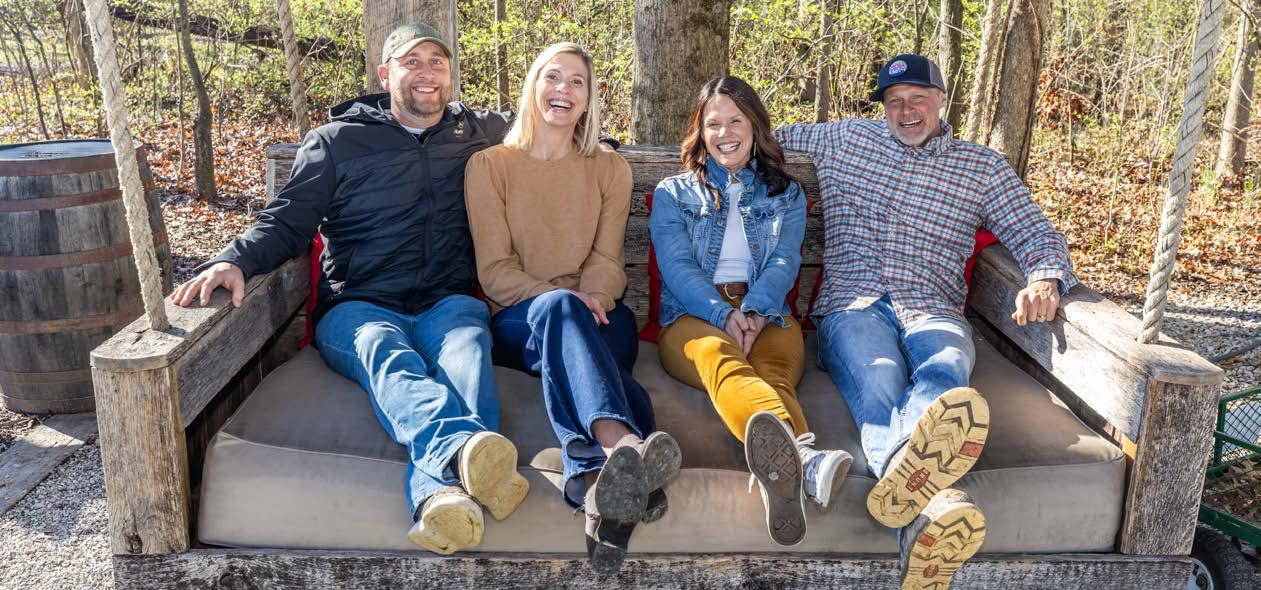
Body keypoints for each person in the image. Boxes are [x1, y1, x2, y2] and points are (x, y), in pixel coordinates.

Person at [169, 22, 530, 556]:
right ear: (385, 75)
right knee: (384, 352)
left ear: (451, 74)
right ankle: (461, 453)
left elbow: (545, 123)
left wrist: (596, 144)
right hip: (359, 305)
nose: (427, 73)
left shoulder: (476, 131)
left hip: (448, 298)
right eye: (412, 62)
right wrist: (234, 259)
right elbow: (287, 220)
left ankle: (441, 499)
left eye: (437, 62)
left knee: (468, 353)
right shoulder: (338, 142)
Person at [775, 54, 1077, 590]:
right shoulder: (844, 139)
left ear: (941, 99)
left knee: (948, 365)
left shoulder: (981, 168)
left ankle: (915, 503)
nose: (906, 110)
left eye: (917, 98)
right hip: (853, 305)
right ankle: (935, 496)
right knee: (878, 375)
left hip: (933, 307)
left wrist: (1044, 278)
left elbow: (1036, 233)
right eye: (894, 101)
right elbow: (757, 135)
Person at [463, 42, 681, 575]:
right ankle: (623, 441)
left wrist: (594, 301)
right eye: (553, 78)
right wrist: (562, 300)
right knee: (561, 310)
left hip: (601, 315)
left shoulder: (608, 168)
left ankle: (592, 481)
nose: (563, 90)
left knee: (585, 327)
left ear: (589, 98)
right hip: (519, 318)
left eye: (577, 82)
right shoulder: (489, 166)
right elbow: (495, 271)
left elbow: (607, 261)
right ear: (533, 87)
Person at [648, 76, 852, 547]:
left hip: (769, 312)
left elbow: (784, 259)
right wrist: (722, 315)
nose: (725, 133)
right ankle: (805, 460)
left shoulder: (786, 194)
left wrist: (756, 311)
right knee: (719, 357)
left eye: (736, 121)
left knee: (773, 373)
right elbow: (677, 267)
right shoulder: (673, 193)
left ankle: (782, 476)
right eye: (713, 124)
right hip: (693, 318)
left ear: (755, 126)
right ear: (700, 132)